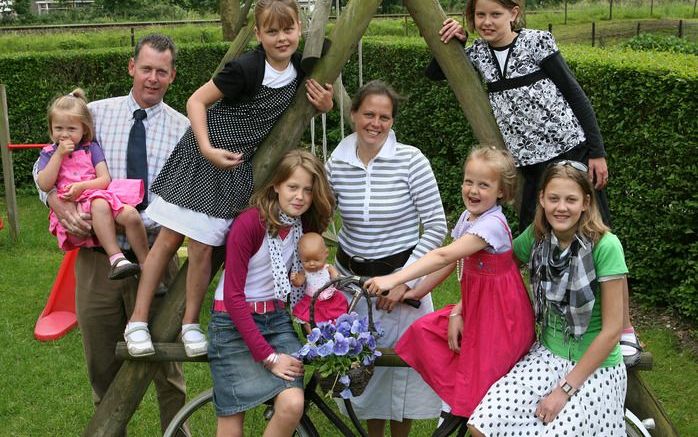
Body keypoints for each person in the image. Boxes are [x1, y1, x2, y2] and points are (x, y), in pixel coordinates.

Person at [432, 0, 642, 366]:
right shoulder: (479, 53)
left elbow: (576, 95)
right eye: (479, 15)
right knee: (532, 242)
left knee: (596, 236)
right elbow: (437, 72)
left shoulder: (536, 43)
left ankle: (624, 327)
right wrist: (455, 39)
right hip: (529, 167)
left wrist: (597, 151)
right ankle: (543, 320)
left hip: (569, 151)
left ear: (514, 13)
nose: (487, 22)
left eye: (495, 14)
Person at [125, 0, 334, 358]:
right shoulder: (247, 67)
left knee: (204, 247)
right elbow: (195, 101)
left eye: (288, 29)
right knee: (168, 240)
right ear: (258, 34)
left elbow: (326, 64)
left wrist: (327, 104)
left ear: (299, 28)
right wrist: (206, 148)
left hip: (234, 167)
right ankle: (138, 322)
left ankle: (190, 323)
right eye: (271, 31)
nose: (281, 38)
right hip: (204, 156)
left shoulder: (302, 65)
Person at [33, 34, 189, 435]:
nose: (152, 78)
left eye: (162, 71)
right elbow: (45, 170)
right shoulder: (94, 116)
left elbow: (189, 195)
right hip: (96, 261)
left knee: (166, 368)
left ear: (172, 76)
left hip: (156, 253)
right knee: (101, 363)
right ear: (131, 67)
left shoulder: (184, 129)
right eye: (146, 68)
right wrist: (54, 202)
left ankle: (177, 431)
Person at [366, 145, 535, 420]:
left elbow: (443, 254)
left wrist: (393, 278)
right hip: (477, 308)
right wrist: (415, 290)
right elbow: (449, 263)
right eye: (468, 181)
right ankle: (455, 407)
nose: (473, 190)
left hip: (500, 320)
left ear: (501, 191)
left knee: (483, 398)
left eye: (484, 185)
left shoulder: (492, 224)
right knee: (424, 332)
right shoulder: (470, 217)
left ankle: (467, 414)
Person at [468, 160, 628, 436]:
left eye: (571, 199)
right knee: (483, 422)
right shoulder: (538, 236)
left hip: (595, 367)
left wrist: (563, 390)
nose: (561, 207)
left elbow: (613, 331)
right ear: (541, 198)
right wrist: (462, 308)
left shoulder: (605, 246)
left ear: (586, 202)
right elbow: (495, 273)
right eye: (553, 198)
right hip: (547, 354)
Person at [326, 80, 448, 437]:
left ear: (392, 121)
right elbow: (320, 215)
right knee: (367, 373)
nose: (375, 123)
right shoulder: (338, 161)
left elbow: (437, 226)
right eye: (368, 114)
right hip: (353, 283)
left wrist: (406, 283)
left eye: (384, 117)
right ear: (353, 115)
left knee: (401, 376)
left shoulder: (411, 160)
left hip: (401, 284)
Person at [208, 149, 334, 436]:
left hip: (276, 320)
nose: (299, 196)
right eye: (292, 187)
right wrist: (270, 358)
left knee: (292, 404)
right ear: (276, 185)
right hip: (232, 324)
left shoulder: (303, 226)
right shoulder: (251, 223)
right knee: (232, 412)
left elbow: (310, 277)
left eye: (307, 190)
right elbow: (233, 297)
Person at [37, 89, 147, 280]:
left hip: (96, 195)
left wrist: (81, 187)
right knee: (99, 205)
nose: (64, 135)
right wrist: (59, 155)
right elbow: (45, 184)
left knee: (130, 215)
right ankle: (116, 259)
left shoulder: (91, 148)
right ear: (51, 128)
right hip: (75, 209)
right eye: (58, 128)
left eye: (71, 129)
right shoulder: (48, 153)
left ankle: (147, 264)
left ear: (84, 129)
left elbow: (104, 180)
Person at [290, 232, 348, 328]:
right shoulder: (305, 272)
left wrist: (336, 278)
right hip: (312, 301)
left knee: (334, 317)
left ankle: (332, 331)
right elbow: (299, 282)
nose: (312, 263)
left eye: (316, 259)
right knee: (307, 320)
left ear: (326, 254)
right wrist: (295, 279)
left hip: (329, 300)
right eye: (306, 261)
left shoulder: (327, 268)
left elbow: (337, 278)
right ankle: (313, 337)